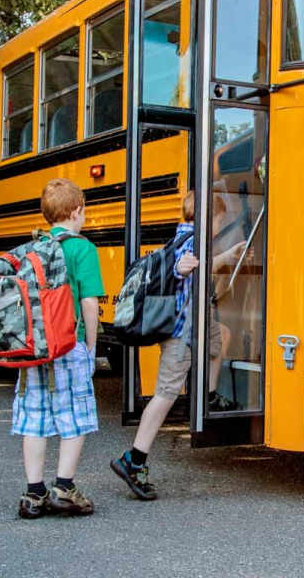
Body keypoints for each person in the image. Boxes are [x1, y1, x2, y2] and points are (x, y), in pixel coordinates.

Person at [110, 190, 247, 501]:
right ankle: (134, 459)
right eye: (219, 218)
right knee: (165, 393)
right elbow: (182, 266)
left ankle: (210, 396)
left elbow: (201, 264)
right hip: (180, 332)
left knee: (219, 336)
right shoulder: (191, 243)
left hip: (194, 324)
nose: (220, 224)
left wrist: (226, 257)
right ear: (208, 217)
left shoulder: (183, 237)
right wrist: (183, 268)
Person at [15, 177, 105, 519]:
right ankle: (64, 487)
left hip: (33, 347)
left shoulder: (32, 248)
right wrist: (91, 348)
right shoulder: (82, 248)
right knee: (75, 417)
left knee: (34, 417)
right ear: (77, 211)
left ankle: (33, 493)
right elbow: (90, 303)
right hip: (69, 345)